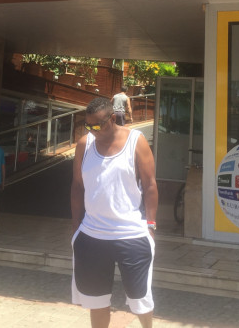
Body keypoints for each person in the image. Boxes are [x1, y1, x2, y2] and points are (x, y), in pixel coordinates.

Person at [71, 97, 158, 328]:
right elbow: (77, 187)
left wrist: (151, 225)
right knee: (96, 300)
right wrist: (76, 229)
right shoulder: (85, 144)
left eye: (97, 125)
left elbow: (150, 185)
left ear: (112, 118)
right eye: (88, 125)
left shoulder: (136, 141)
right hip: (91, 236)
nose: (93, 130)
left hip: (130, 234)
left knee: (140, 299)